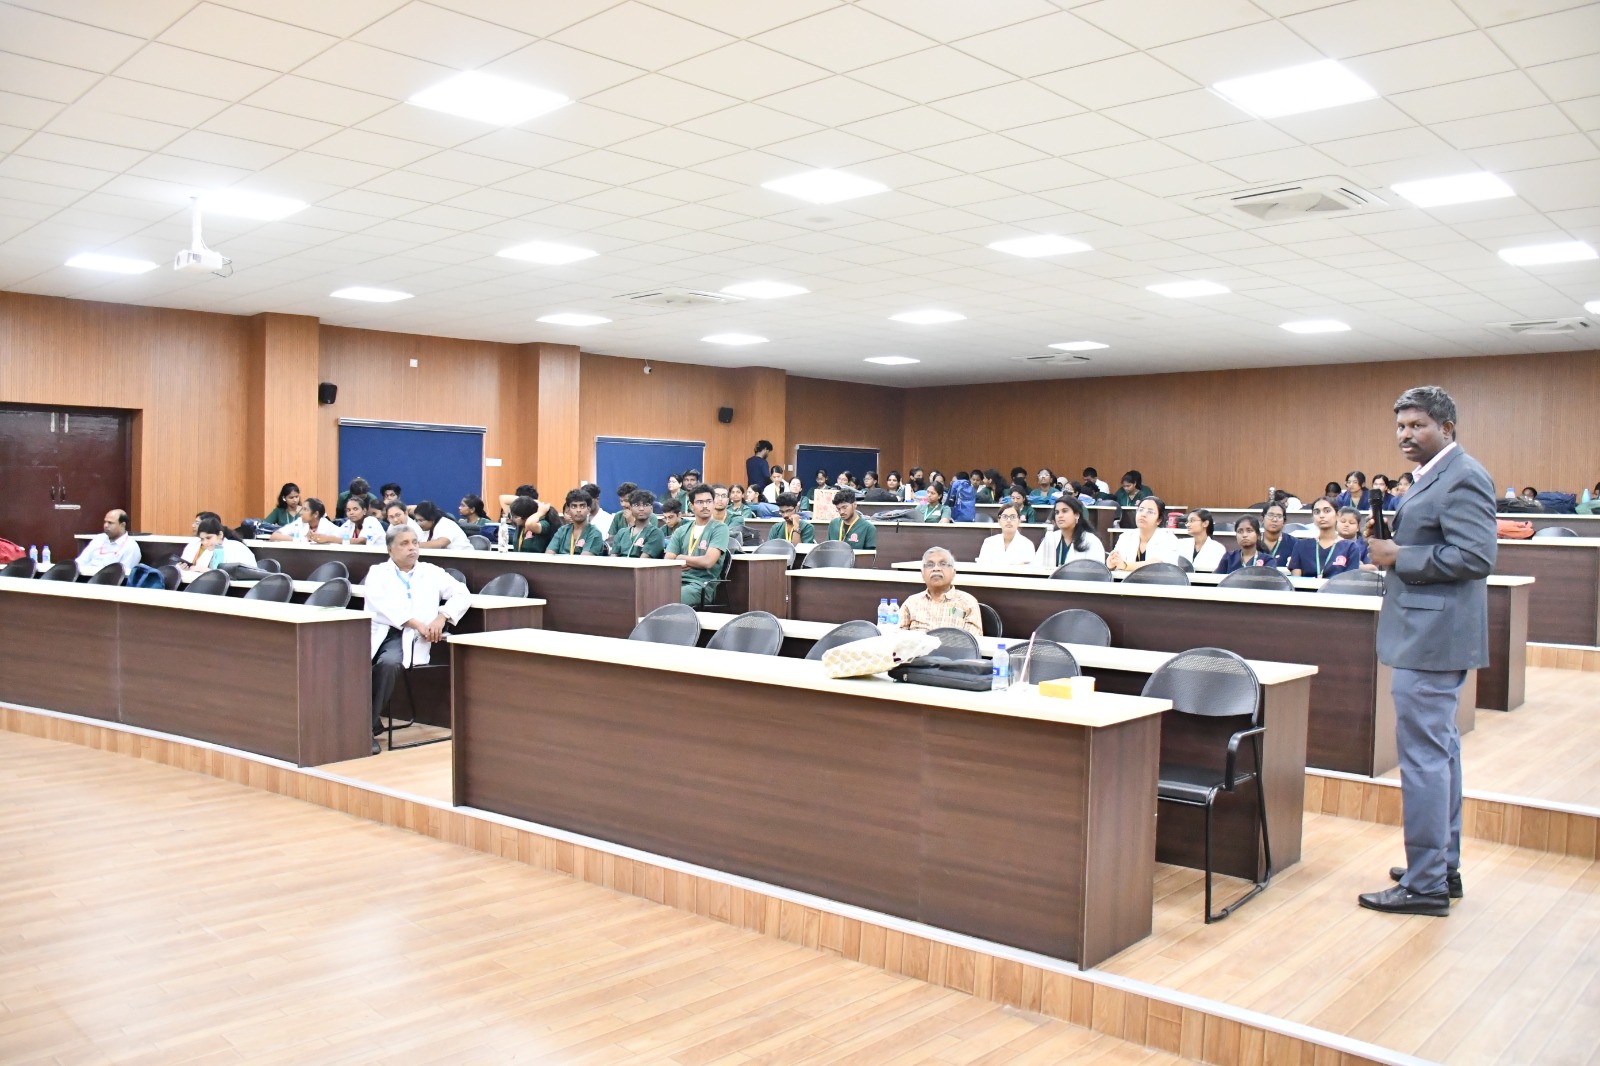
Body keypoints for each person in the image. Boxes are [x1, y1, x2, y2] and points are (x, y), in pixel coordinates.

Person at [1357, 385, 1496, 916]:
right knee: (1439, 755)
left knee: (1423, 761)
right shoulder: (1433, 475)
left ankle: (1425, 886)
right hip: (1427, 633)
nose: (1405, 435)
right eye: (1400, 426)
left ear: (1446, 428)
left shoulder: (1463, 475)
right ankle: (1440, 867)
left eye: (1417, 425)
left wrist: (1399, 556)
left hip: (1432, 639)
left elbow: (1476, 556)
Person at [366, 525, 471, 751]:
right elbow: (379, 603)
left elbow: (462, 594)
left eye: (415, 542)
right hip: (379, 632)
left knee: (389, 664)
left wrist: (442, 617)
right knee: (343, 660)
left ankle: (364, 728)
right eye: (404, 544)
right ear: (390, 549)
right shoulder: (378, 572)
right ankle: (366, 721)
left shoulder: (431, 571)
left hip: (412, 638)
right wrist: (416, 623)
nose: (412, 548)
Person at [666, 484, 728, 606]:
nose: (705, 506)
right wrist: (689, 561)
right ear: (691, 506)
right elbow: (668, 560)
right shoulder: (681, 530)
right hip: (677, 580)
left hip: (701, 585)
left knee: (669, 598)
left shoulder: (720, 528)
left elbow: (708, 562)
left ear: (713, 504)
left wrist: (681, 558)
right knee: (649, 592)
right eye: (700, 502)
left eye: (708, 501)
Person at [898, 547, 982, 637]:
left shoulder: (967, 602)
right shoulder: (911, 603)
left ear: (953, 573)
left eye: (943, 564)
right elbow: (898, 638)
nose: (936, 568)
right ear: (922, 574)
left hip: (953, 646)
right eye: (930, 565)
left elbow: (972, 640)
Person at [1289, 497, 1364, 578]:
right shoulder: (1301, 546)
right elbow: (1296, 580)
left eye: (1327, 511)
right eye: (1317, 512)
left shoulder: (1350, 547)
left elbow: (1350, 580)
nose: (1321, 515)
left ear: (1337, 516)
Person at [1107, 497, 1181, 571]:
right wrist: (1112, 563)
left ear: (1159, 520)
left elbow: (1156, 564)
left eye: (1150, 512)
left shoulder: (1168, 538)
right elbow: (1117, 562)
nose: (1143, 514)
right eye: (1141, 510)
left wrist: (1125, 566)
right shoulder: (1126, 536)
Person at [1035, 495, 1105, 568]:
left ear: (1076, 515)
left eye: (1065, 511)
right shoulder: (1051, 537)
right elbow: (1037, 565)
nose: (1059, 516)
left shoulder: (1091, 540)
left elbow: (1097, 570)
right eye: (1057, 512)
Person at [72, 509, 142, 579]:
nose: (106, 525)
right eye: (105, 522)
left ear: (122, 525)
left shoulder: (131, 546)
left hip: (109, 581)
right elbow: (80, 562)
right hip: (84, 578)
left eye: (110, 523)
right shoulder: (99, 539)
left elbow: (123, 575)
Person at [180, 514, 258, 570]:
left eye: (208, 538)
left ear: (220, 535)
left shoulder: (236, 548)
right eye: (202, 539)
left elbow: (236, 573)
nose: (205, 542)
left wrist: (205, 571)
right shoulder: (209, 550)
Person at [547, 489, 607, 555]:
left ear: (589, 509)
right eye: (574, 506)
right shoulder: (562, 531)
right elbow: (549, 555)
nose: (578, 510)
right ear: (568, 509)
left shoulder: (594, 533)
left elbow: (584, 560)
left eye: (582, 506)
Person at [611, 489, 665, 558]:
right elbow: (613, 557)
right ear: (631, 508)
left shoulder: (656, 533)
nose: (641, 508)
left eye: (646, 505)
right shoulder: (621, 533)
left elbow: (643, 560)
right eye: (636, 505)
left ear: (651, 508)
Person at [270, 498, 338, 542]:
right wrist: (300, 539)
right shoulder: (300, 522)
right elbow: (274, 536)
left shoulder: (327, 526)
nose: (301, 513)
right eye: (302, 509)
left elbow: (342, 539)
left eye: (305, 509)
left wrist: (326, 539)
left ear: (315, 514)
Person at [1182, 508, 1224, 573]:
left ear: (1205, 523)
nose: (1187, 525)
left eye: (1192, 520)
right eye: (1187, 522)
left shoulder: (1218, 548)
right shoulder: (1181, 544)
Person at [1257, 500, 1295, 569]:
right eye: (1270, 515)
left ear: (1284, 522)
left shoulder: (1294, 544)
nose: (1274, 519)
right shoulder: (1254, 542)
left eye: (1279, 516)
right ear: (1262, 519)